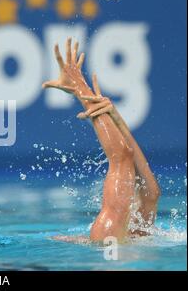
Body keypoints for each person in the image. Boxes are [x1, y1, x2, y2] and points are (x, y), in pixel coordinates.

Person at [42, 38, 161, 243]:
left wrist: (114, 116)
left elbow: (151, 193)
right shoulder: (110, 233)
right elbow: (122, 157)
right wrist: (81, 89)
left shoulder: (121, 236)